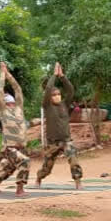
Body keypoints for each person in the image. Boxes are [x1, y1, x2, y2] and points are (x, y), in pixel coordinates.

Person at [35, 62, 83, 190]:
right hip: (53, 143)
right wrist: (54, 76)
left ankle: (78, 181)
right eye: (54, 95)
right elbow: (48, 90)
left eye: (58, 94)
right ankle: (39, 178)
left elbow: (71, 90)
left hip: (66, 141)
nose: (57, 96)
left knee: (73, 159)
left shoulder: (64, 105)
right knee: (47, 167)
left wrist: (62, 77)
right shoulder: (47, 106)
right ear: (50, 97)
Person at [0, 62, 30, 196]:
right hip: (9, 148)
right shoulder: (3, 111)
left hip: (21, 146)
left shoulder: (19, 109)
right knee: (25, 161)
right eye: (9, 103)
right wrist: (2, 75)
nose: (11, 104)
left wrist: (8, 75)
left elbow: (18, 89)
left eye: (12, 102)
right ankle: (20, 189)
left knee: (8, 169)